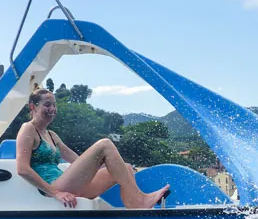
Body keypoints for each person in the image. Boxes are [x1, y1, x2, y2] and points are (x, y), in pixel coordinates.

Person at [16, 87, 170, 208]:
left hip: (68, 184)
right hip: (53, 188)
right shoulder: (28, 129)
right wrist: (56, 193)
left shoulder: (52, 135)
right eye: (47, 104)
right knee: (105, 144)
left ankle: (135, 207)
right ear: (33, 107)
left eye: (54, 105)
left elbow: (77, 161)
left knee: (127, 168)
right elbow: (22, 169)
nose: (52, 109)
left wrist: (110, 164)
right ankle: (140, 200)